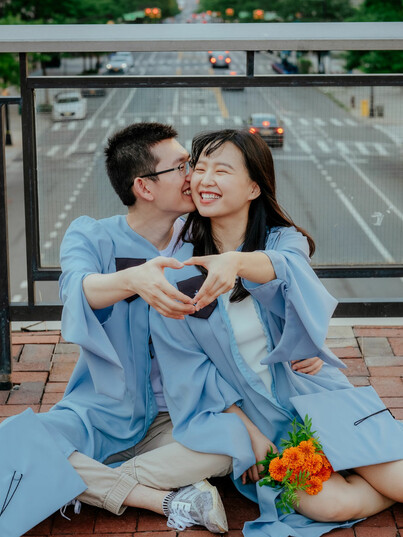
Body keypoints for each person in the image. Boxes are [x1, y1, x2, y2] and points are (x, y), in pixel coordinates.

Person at [150, 128, 403, 537]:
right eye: (199, 168)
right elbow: (189, 371)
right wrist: (244, 437)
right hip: (260, 421)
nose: (205, 179)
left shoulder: (283, 241)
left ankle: (370, 464)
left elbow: (285, 269)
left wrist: (236, 262)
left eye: (222, 170)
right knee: (328, 504)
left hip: (312, 394)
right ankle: (370, 471)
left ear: (253, 187)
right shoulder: (175, 269)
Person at [0, 123, 235, 537]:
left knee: (233, 446)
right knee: (9, 441)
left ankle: (82, 478)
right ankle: (164, 498)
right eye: (181, 166)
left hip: (181, 415)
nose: (193, 175)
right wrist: (133, 280)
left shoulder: (205, 239)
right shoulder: (91, 235)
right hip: (101, 410)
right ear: (144, 187)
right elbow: (77, 289)